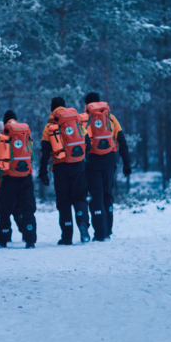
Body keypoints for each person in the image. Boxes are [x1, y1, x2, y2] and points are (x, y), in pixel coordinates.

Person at [38, 97, 91, 245]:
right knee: (80, 198)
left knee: (64, 201)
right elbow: (88, 144)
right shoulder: (76, 121)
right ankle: (83, 225)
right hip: (78, 166)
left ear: (52, 108)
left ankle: (67, 236)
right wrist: (83, 161)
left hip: (60, 168)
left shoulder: (50, 125)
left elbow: (45, 150)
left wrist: (43, 171)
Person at [0, 110, 38, 248]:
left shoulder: (0, 138)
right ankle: (30, 239)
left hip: (8, 179)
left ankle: (3, 237)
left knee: (4, 210)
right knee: (27, 209)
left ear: (5, 122)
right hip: (26, 177)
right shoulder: (25, 135)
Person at [84, 92, 131, 241]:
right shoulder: (110, 117)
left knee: (96, 195)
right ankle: (108, 231)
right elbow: (121, 141)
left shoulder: (84, 118)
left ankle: (99, 233)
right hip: (110, 160)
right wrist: (126, 162)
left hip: (92, 161)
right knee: (107, 195)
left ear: (87, 105)